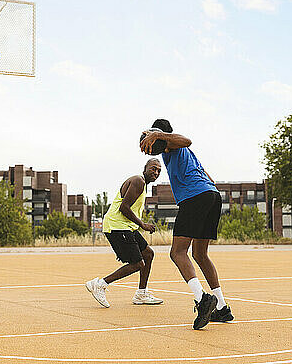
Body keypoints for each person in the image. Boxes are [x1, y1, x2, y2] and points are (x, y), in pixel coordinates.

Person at [140, 119, 233, 330]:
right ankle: (222, 307)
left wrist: (158, 135)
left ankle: (202, 300)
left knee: (177, 252)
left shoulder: (173, 143)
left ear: (160, 134)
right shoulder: (179, 153)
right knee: (200, 254)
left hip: (196, 197)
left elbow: (187, 139)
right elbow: (207, 176)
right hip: (211, 195)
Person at [85, 159, 164, 308]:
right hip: (117, 226)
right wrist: (143, 225)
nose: (156, 172)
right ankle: (100, 284)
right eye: (153, 169)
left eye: (159, 170)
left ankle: (141, 294)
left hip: (127, 226)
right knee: (137, 263)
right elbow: (124, 207)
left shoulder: (143, 185)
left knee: (148, 254)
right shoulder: (138, 181)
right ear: (145, 168)